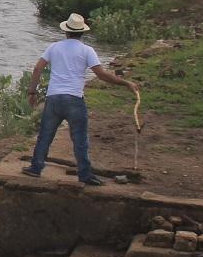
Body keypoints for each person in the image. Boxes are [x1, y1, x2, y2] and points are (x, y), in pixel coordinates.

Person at [21, 13, 138, 186]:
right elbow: (101, 74)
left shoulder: (54, 47)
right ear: (82, 33)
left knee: (45, 135)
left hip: (53, 98)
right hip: (74, 99)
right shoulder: (87, 50)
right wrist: (125, 83)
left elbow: (37, 68)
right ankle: (85, 175)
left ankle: (36, 168)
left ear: (66, 32)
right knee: (80, 139)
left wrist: (32, 92)